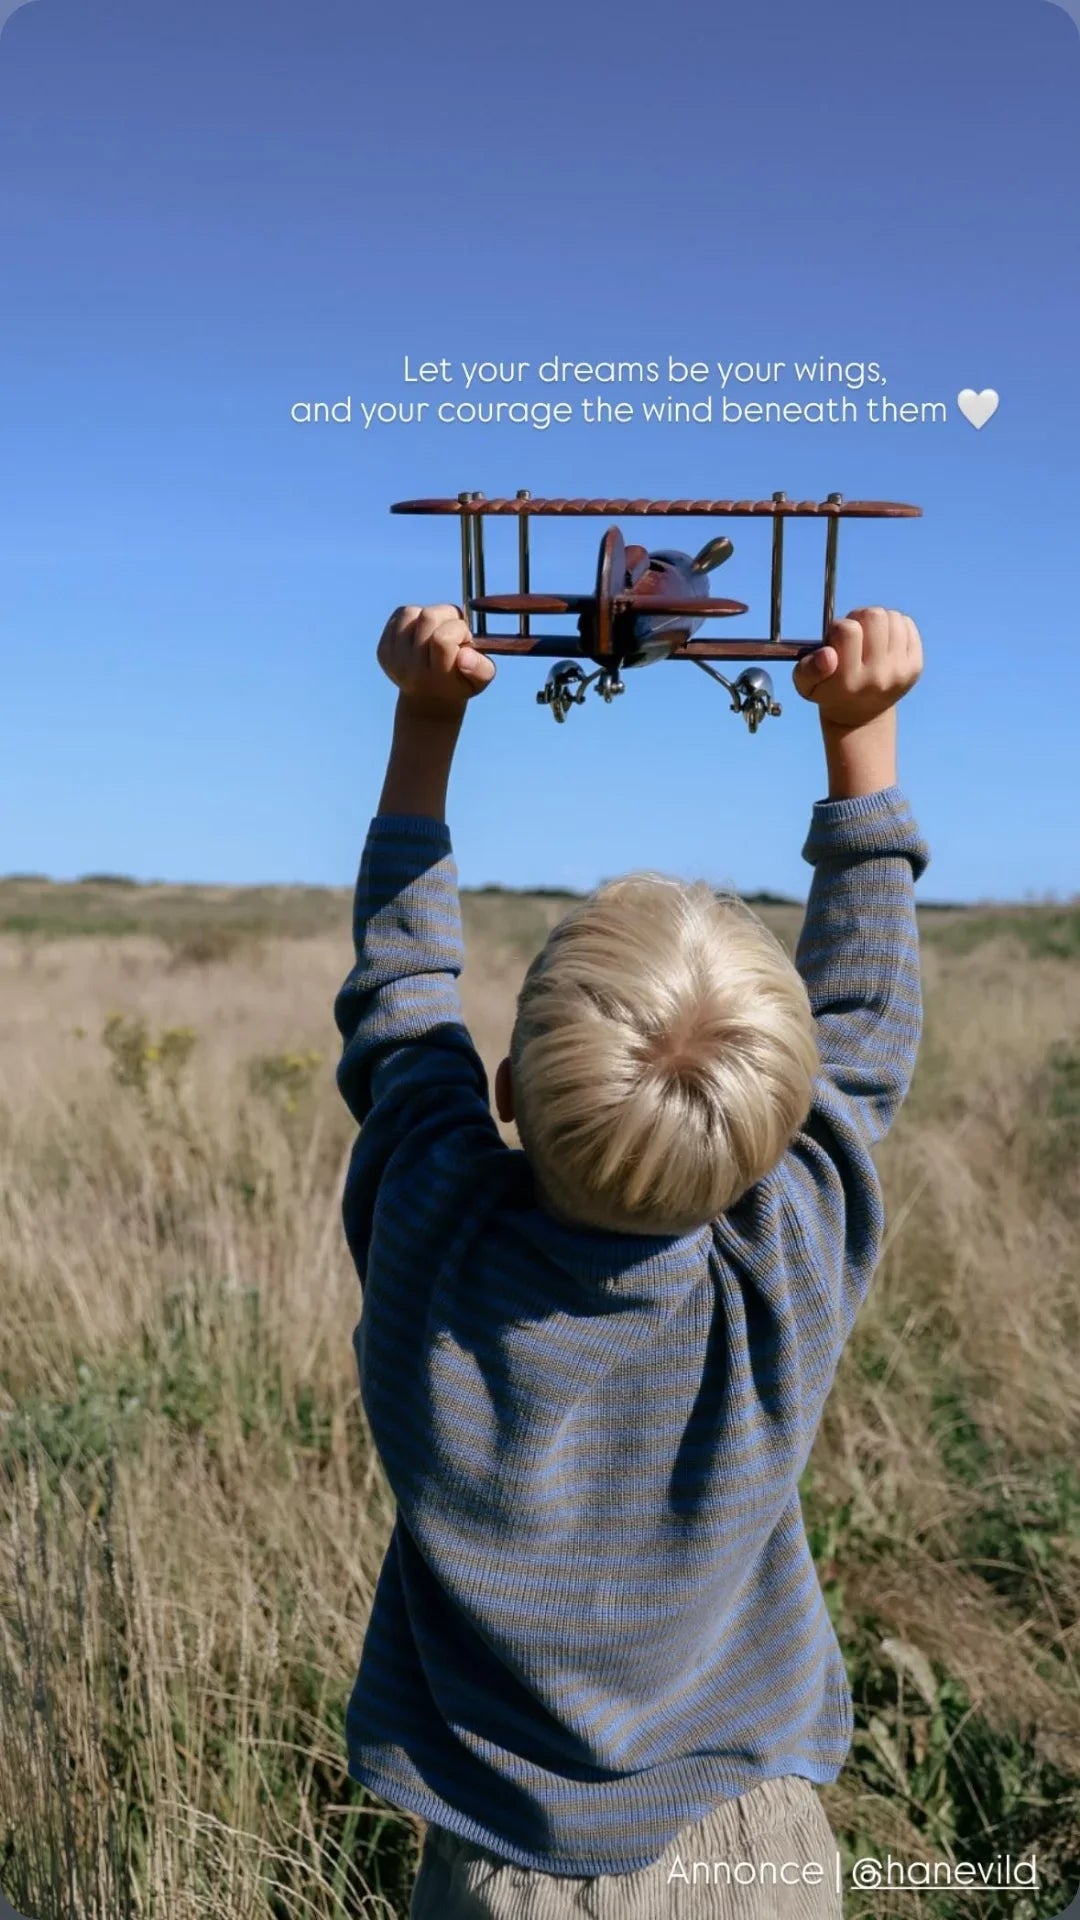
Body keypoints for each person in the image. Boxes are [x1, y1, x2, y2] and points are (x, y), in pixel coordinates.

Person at [334, 601, 928, 1918]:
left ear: (497, 1092)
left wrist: (426, 718)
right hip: (749, 1849)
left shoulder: (429, 1231)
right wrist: (861, 732)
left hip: (496, 1863)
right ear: (779, 1139)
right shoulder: (789, 1256)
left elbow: (398, 999)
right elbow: (869, 1031)